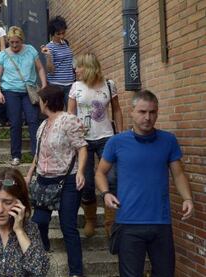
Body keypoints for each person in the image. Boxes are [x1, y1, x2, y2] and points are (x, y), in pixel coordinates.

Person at [95, 90, 194, 276]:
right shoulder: (116, 142)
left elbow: (178, 174)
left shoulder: (168, 141)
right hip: (128, 223)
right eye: (142, 112)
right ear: (131, 111)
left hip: (161, 223)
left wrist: (187, 198)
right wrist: (106, 193)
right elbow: (100, 173)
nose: (148, 117)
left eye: (152, 112)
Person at [25, 86, 87, 277]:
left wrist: (81, 172)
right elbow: (39, 153)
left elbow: (82, 148)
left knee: (68, 227)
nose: (38, 103)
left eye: (40, 100)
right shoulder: (43, 125)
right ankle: (44, 247)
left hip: (67, 180)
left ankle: (76, 272)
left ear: (47, 102)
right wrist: (29, 173)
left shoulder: (68, 120)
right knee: (38, 222)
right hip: (44, 180)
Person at [68, 53, 123, 238]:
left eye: (78, 66)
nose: (75, 70)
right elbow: (70, 114)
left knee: (112, 179)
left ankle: (110, 222)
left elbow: (116, 109)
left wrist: (120, 136)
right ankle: (90, 220)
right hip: (83, 141)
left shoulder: (109, 84)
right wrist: (73, 134)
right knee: (88, 183)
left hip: (107, 137)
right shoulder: (76, 87)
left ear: (89, 67)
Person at [0, 26, 47, 166]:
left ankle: (37, 154)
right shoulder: (3, 55)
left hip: (29, 91)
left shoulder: (30, 50)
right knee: (15, 123)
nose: (15, 45)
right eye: (11, 42)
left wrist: (44, 84)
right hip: (11, 91)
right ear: (8, 41)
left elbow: (40, 68)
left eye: (17, 42)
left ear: (21, 40)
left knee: (33, 121)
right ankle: (16, 155)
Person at [41, 16, 75, 105]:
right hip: (56, 85)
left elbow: (71, 63)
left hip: (70, 84)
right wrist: (48, 56)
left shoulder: (66, 44)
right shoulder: (49, 47)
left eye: (63, 33)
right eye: (58, 34)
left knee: (71, 113)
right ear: (53, 34)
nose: (62, 36)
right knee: (57, 113)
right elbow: (50, 71)